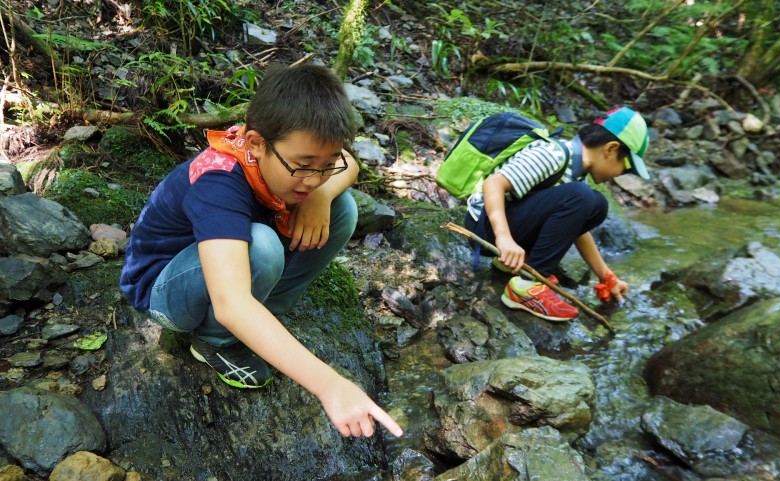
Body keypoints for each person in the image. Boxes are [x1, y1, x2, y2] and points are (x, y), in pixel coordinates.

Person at [119, 64, 402, 439]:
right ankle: (214, 341)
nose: (314, 178)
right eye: (302, 167)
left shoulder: (285, 156)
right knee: (262, 247)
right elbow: (231, 302)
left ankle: (264, 317)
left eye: (324, 166)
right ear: (256, 143)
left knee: (343, 207)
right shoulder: (219, 180)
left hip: (221, 264)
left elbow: (349, 162)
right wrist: (330, 385)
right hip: (163, 288)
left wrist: (321, 195)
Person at [464, 106, 650, 321]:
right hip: (485, 228)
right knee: (584, 196)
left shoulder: (578, 172)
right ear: (611, 148)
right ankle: (526, 287)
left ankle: (520, 266)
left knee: (597, 204)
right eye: (626, 168)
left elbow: (573, 228)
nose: (620, 174)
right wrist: (504, 238)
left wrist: (607, 277)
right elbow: (493, 183)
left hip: (509, 227)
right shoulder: (553, 154)